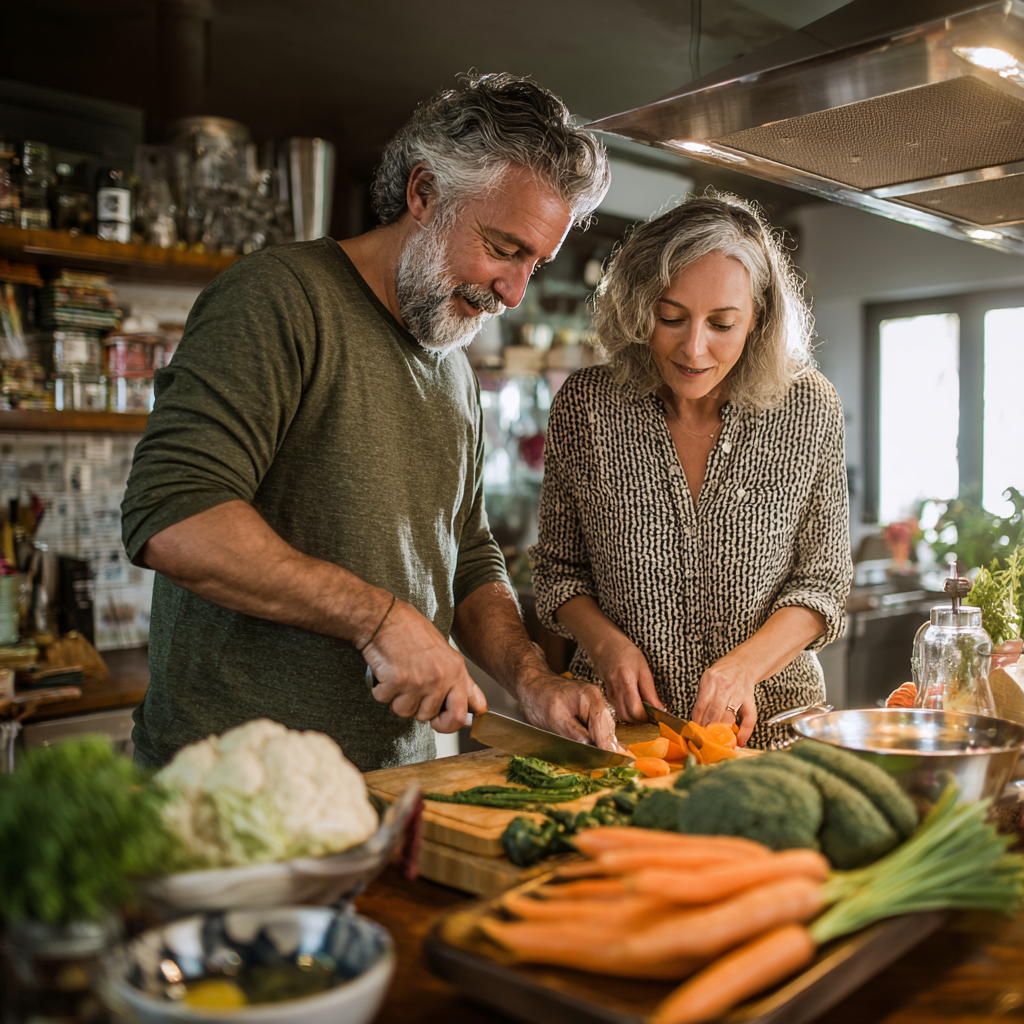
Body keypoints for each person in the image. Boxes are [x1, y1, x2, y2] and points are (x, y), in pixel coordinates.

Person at [120, 73, 621, 771]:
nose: (513, 292)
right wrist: (377, 619)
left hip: (391, 786)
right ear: (423, 194)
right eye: (505, 248)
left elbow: (469, 554)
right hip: (228, 792)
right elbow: (173, 515)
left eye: (536, 264)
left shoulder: (452, 365)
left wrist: (531, 680)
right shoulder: (279, 299)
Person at [530, 194, 852, 749]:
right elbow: (559, 573)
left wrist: (745, 668)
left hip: (771, 740)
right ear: (637, 308)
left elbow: (822, 585)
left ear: (758, 320)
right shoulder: (587, 408)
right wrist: (606, 646)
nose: (694, 348)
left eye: (722, 324)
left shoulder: (808, 407)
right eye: (670, 317)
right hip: (624, 740)